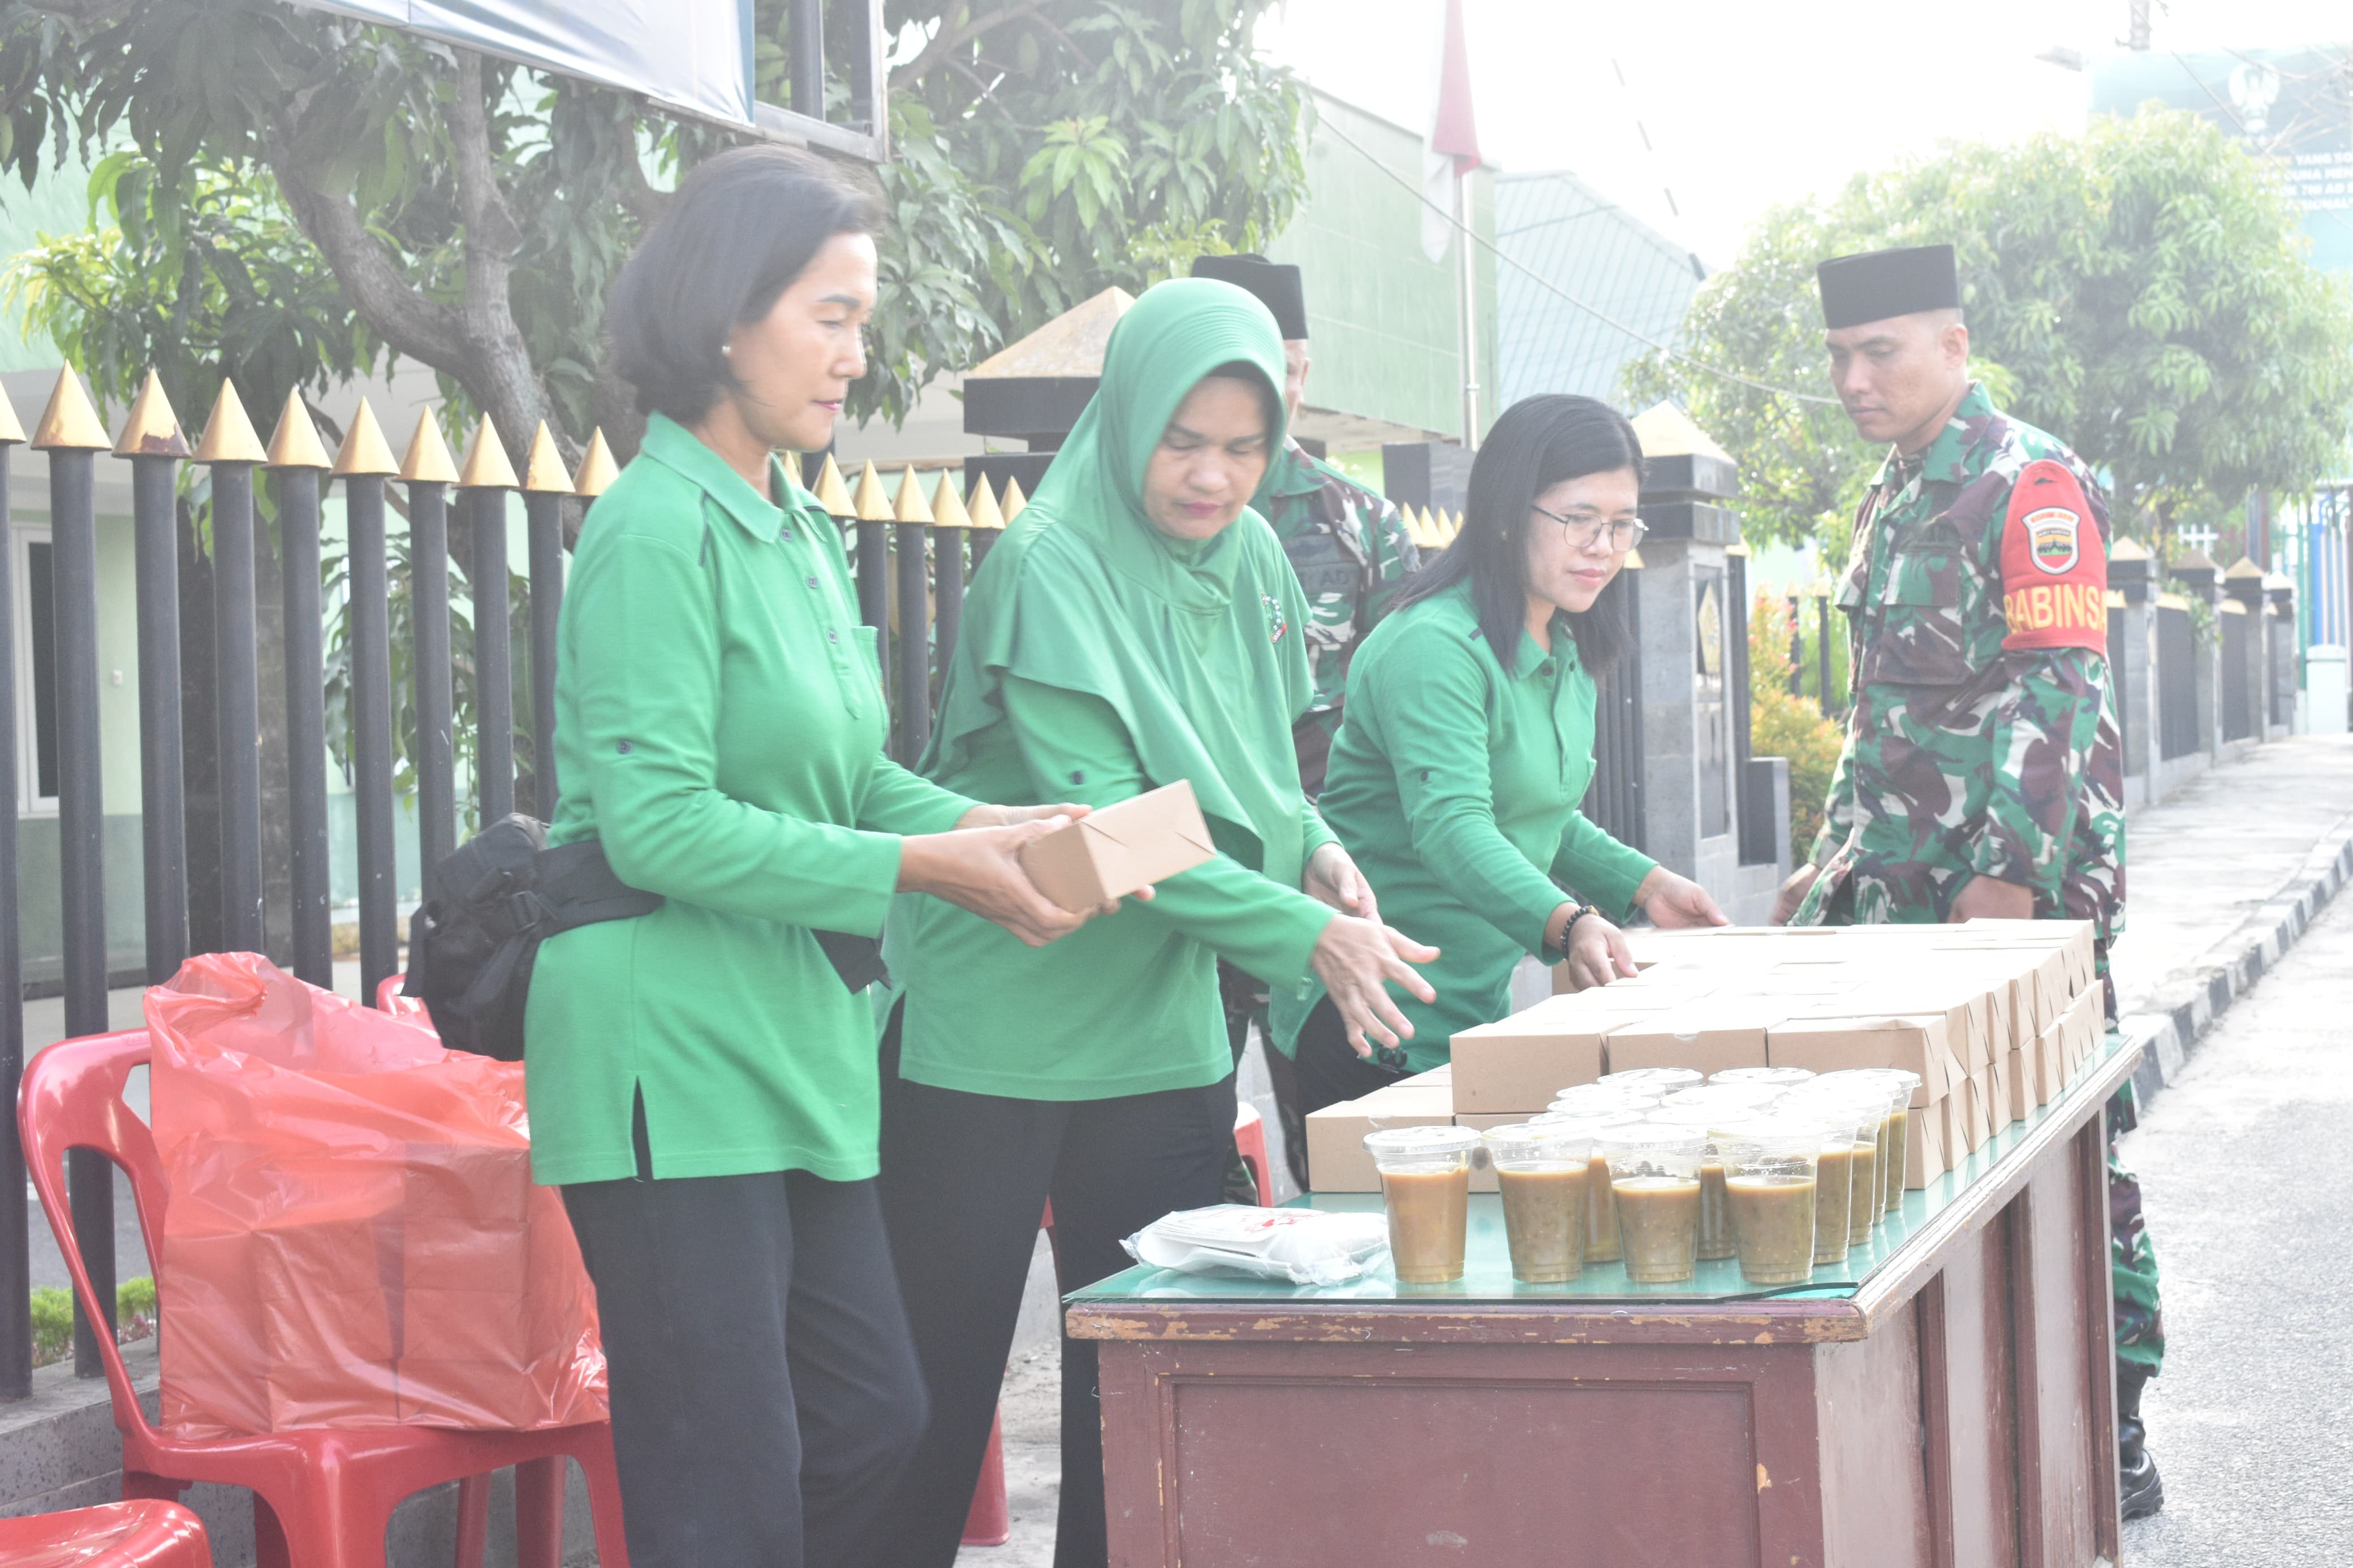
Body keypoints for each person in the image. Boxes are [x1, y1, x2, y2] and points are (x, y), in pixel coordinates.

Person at [523, 146, 1111, 1568]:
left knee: (873, 1420)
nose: (857, 355)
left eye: (862, 320)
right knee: (722, 1474)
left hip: (791, 1036)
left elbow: (848, 774)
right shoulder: (654, 529)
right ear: (728, 319)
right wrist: (923, 873)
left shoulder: (790, 520)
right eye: (830, 317)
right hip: (669, 1049)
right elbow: (657, 824)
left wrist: (991, 831)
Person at [869, 277, 1438, 1568]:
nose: (1213, 477)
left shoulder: (1253, 560)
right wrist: (1302, 933)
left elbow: (1258, 772)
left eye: (1244, 447)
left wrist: (1317, 849)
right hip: (996, 1028)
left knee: (1141, 1402)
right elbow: (1107, 832)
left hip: (1161, 1029)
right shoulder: (1049, 560)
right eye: (1183, 442)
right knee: (930, 1401)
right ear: (1127, 417)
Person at [1769, 243, 2155, 1516]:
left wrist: (2008, 877)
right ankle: (1973, 1424)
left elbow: (2060, 687)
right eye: (1839, 356)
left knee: (2071, 1154)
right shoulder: (1891, 494)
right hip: (1895, 896)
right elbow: (1876, 708)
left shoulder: (2028, 482)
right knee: (1928, 1157)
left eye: (1878, 352)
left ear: (1954, 345)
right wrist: (1829, 856)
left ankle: (2119, 1416)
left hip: (2010, 900)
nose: (1853, 379)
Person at [1274, 395, 1728, 1111]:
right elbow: (1453, 825)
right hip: (1372, 1010)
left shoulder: (1564, 641)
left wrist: (1646, 885)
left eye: (1621, 525)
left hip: (1469, 1011)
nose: (1603, 547)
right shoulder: (1432, 646)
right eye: (1579, 519)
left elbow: (1533, 813)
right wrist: (1571, 922)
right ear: (1507, 513)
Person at [1188, 252, 1424, 1190]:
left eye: (1287, 369)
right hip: (1193, 880)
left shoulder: (1357, 521)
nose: (1273, 394)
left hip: (1326, 869)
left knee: (1334, 1142)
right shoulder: (1142, 525)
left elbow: (1401, 707)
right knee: (1192, 1144)